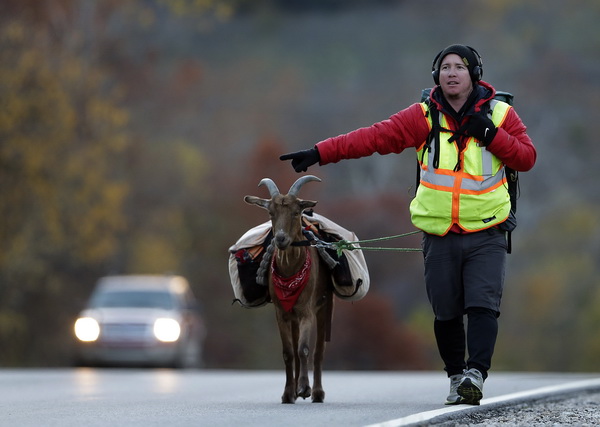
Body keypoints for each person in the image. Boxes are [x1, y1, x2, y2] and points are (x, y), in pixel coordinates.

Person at [280, 44, 536, 405]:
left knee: (482, 305)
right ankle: (456, 377)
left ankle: (475, 375)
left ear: (474, 74)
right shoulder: (424, 117)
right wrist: (320, 152)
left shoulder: (501, 114)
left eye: (459, 67)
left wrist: (491, 134)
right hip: (438, 234)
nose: (451, 73)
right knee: (445, 310)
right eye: (444, 67)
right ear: (436, 76)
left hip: (487, 231)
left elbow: (526, 158)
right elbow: (371, 137)